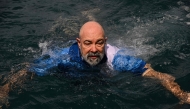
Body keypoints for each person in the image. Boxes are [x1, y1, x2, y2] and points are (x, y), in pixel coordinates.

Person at [0, 21, 190, 107]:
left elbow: (155, 74)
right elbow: (28, 70)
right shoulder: (63, 57)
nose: (94, 49)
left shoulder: (119, 59)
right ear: (79, 43)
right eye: (88, 43)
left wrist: (181, 94)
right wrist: (4, 91)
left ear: (105, 42)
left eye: (99, 43)